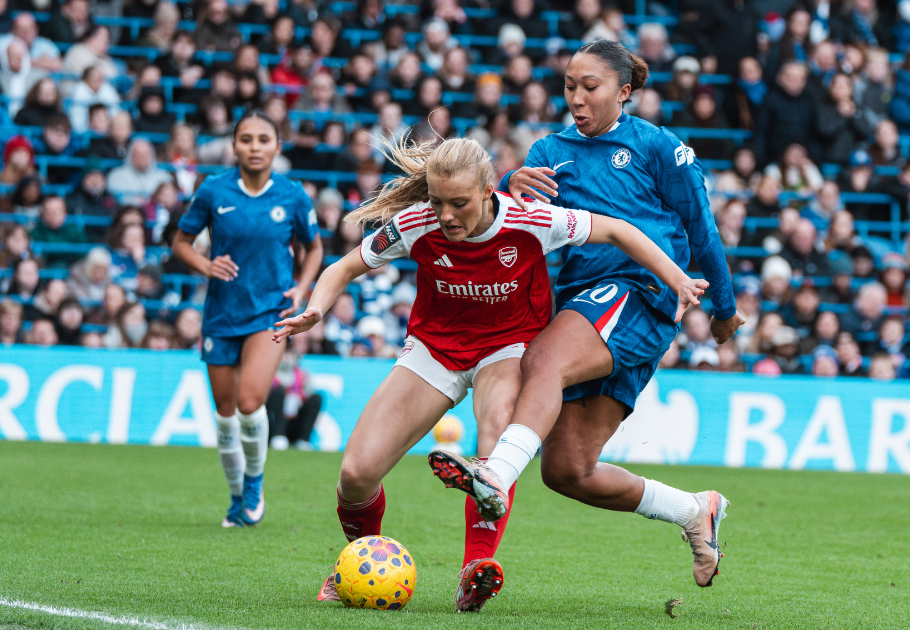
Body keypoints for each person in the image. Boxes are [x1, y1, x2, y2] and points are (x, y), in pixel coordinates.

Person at [273, 135, 708, 611]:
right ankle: (361, 561)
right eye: (438, 202)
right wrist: (316, 308)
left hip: (508, 347)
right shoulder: (415, 223)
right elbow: (343, 267)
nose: (446, 216)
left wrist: (676, 277)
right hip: (434, 350)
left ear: (487, 190)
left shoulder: (531, 219)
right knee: (356, 474)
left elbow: (618, 231)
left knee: (494, 449)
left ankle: (474, 569)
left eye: (458, 203)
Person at [426, 40, 743, 590]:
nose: (576, 97)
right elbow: (502, 228)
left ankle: (496, 474)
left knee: (544, 359)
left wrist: (725, 309)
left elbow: (702, 229)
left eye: (589, 87)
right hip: (578, 304)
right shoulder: (549, 151)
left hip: (638, 293)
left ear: (624, 92)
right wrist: (506, 191)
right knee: (567, 471)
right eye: (569, 86)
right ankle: (695, 510)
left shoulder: (658, 148)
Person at [171, 110, 323, 529]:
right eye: (246, 139)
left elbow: (315, 248)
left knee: (250, 403)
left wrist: (303, 285)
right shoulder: (213, 190)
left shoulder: (292, 195)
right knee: (224, 415)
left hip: (269, 313)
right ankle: (237, 496)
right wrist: (205, 265)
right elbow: (180, 243)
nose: (254, 147)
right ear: (233, 146)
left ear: (277, 146)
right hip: (221, 314)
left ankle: (254, 485)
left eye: (263, 139)